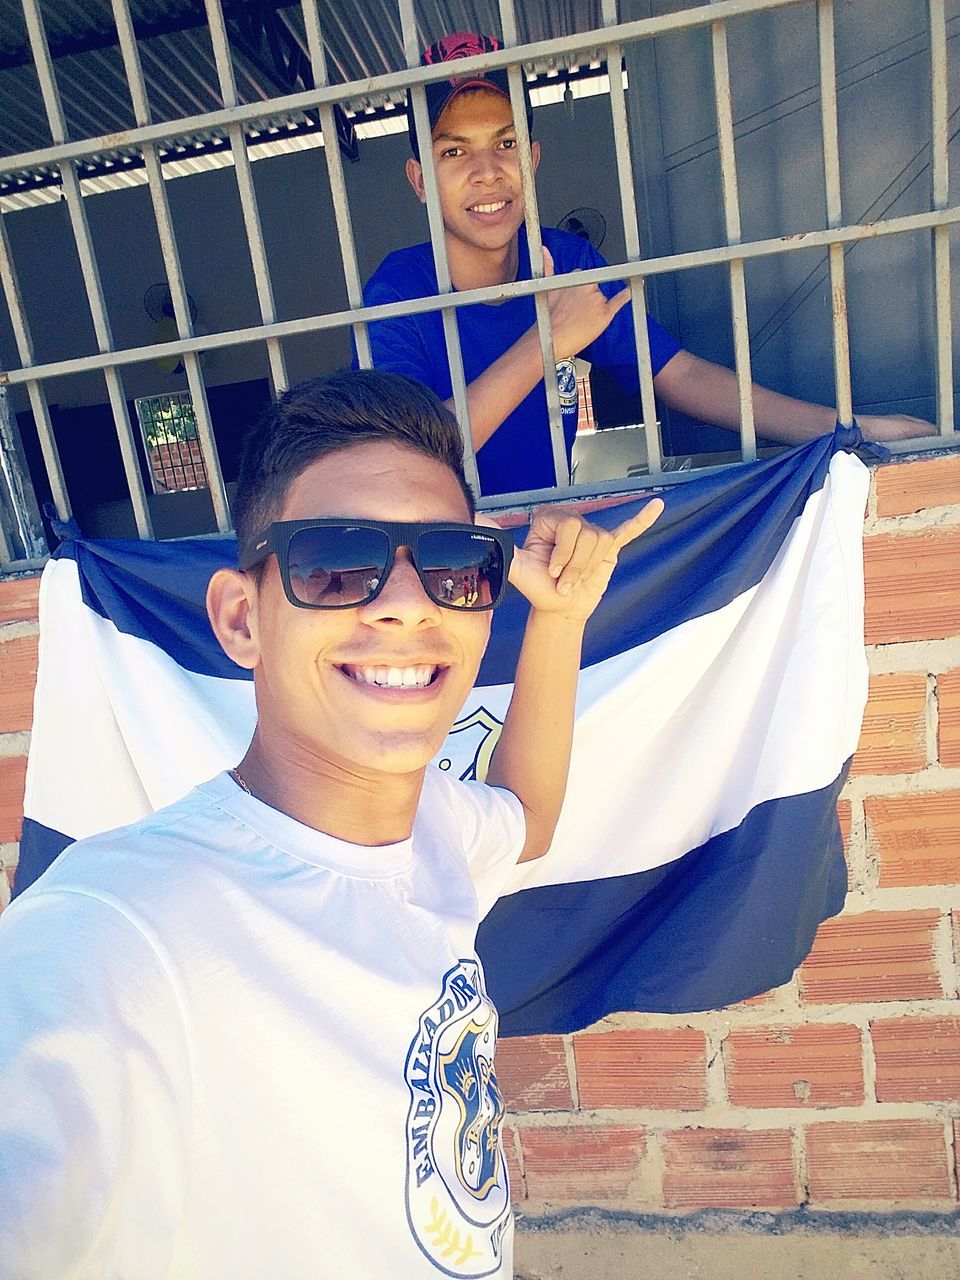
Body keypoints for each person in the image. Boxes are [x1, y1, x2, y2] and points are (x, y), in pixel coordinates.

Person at [0, 369, 662, 1278]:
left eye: (452, 565)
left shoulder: (437, 832)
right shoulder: (114, 934)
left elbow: (528, 819)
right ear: (243, 619)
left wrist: (560, 618)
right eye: (333, 564)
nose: (404, 603)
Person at [360, 30, 932, 496]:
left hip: (554, 531)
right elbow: (413, 453)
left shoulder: (569, 261)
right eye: (454, 151)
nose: (487, 171)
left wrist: (849, 431)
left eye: (506, 144)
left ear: (531, 160)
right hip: (450, 552)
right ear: (420, 181)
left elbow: (678, 374)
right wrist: (548, 339)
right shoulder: (396, 292)